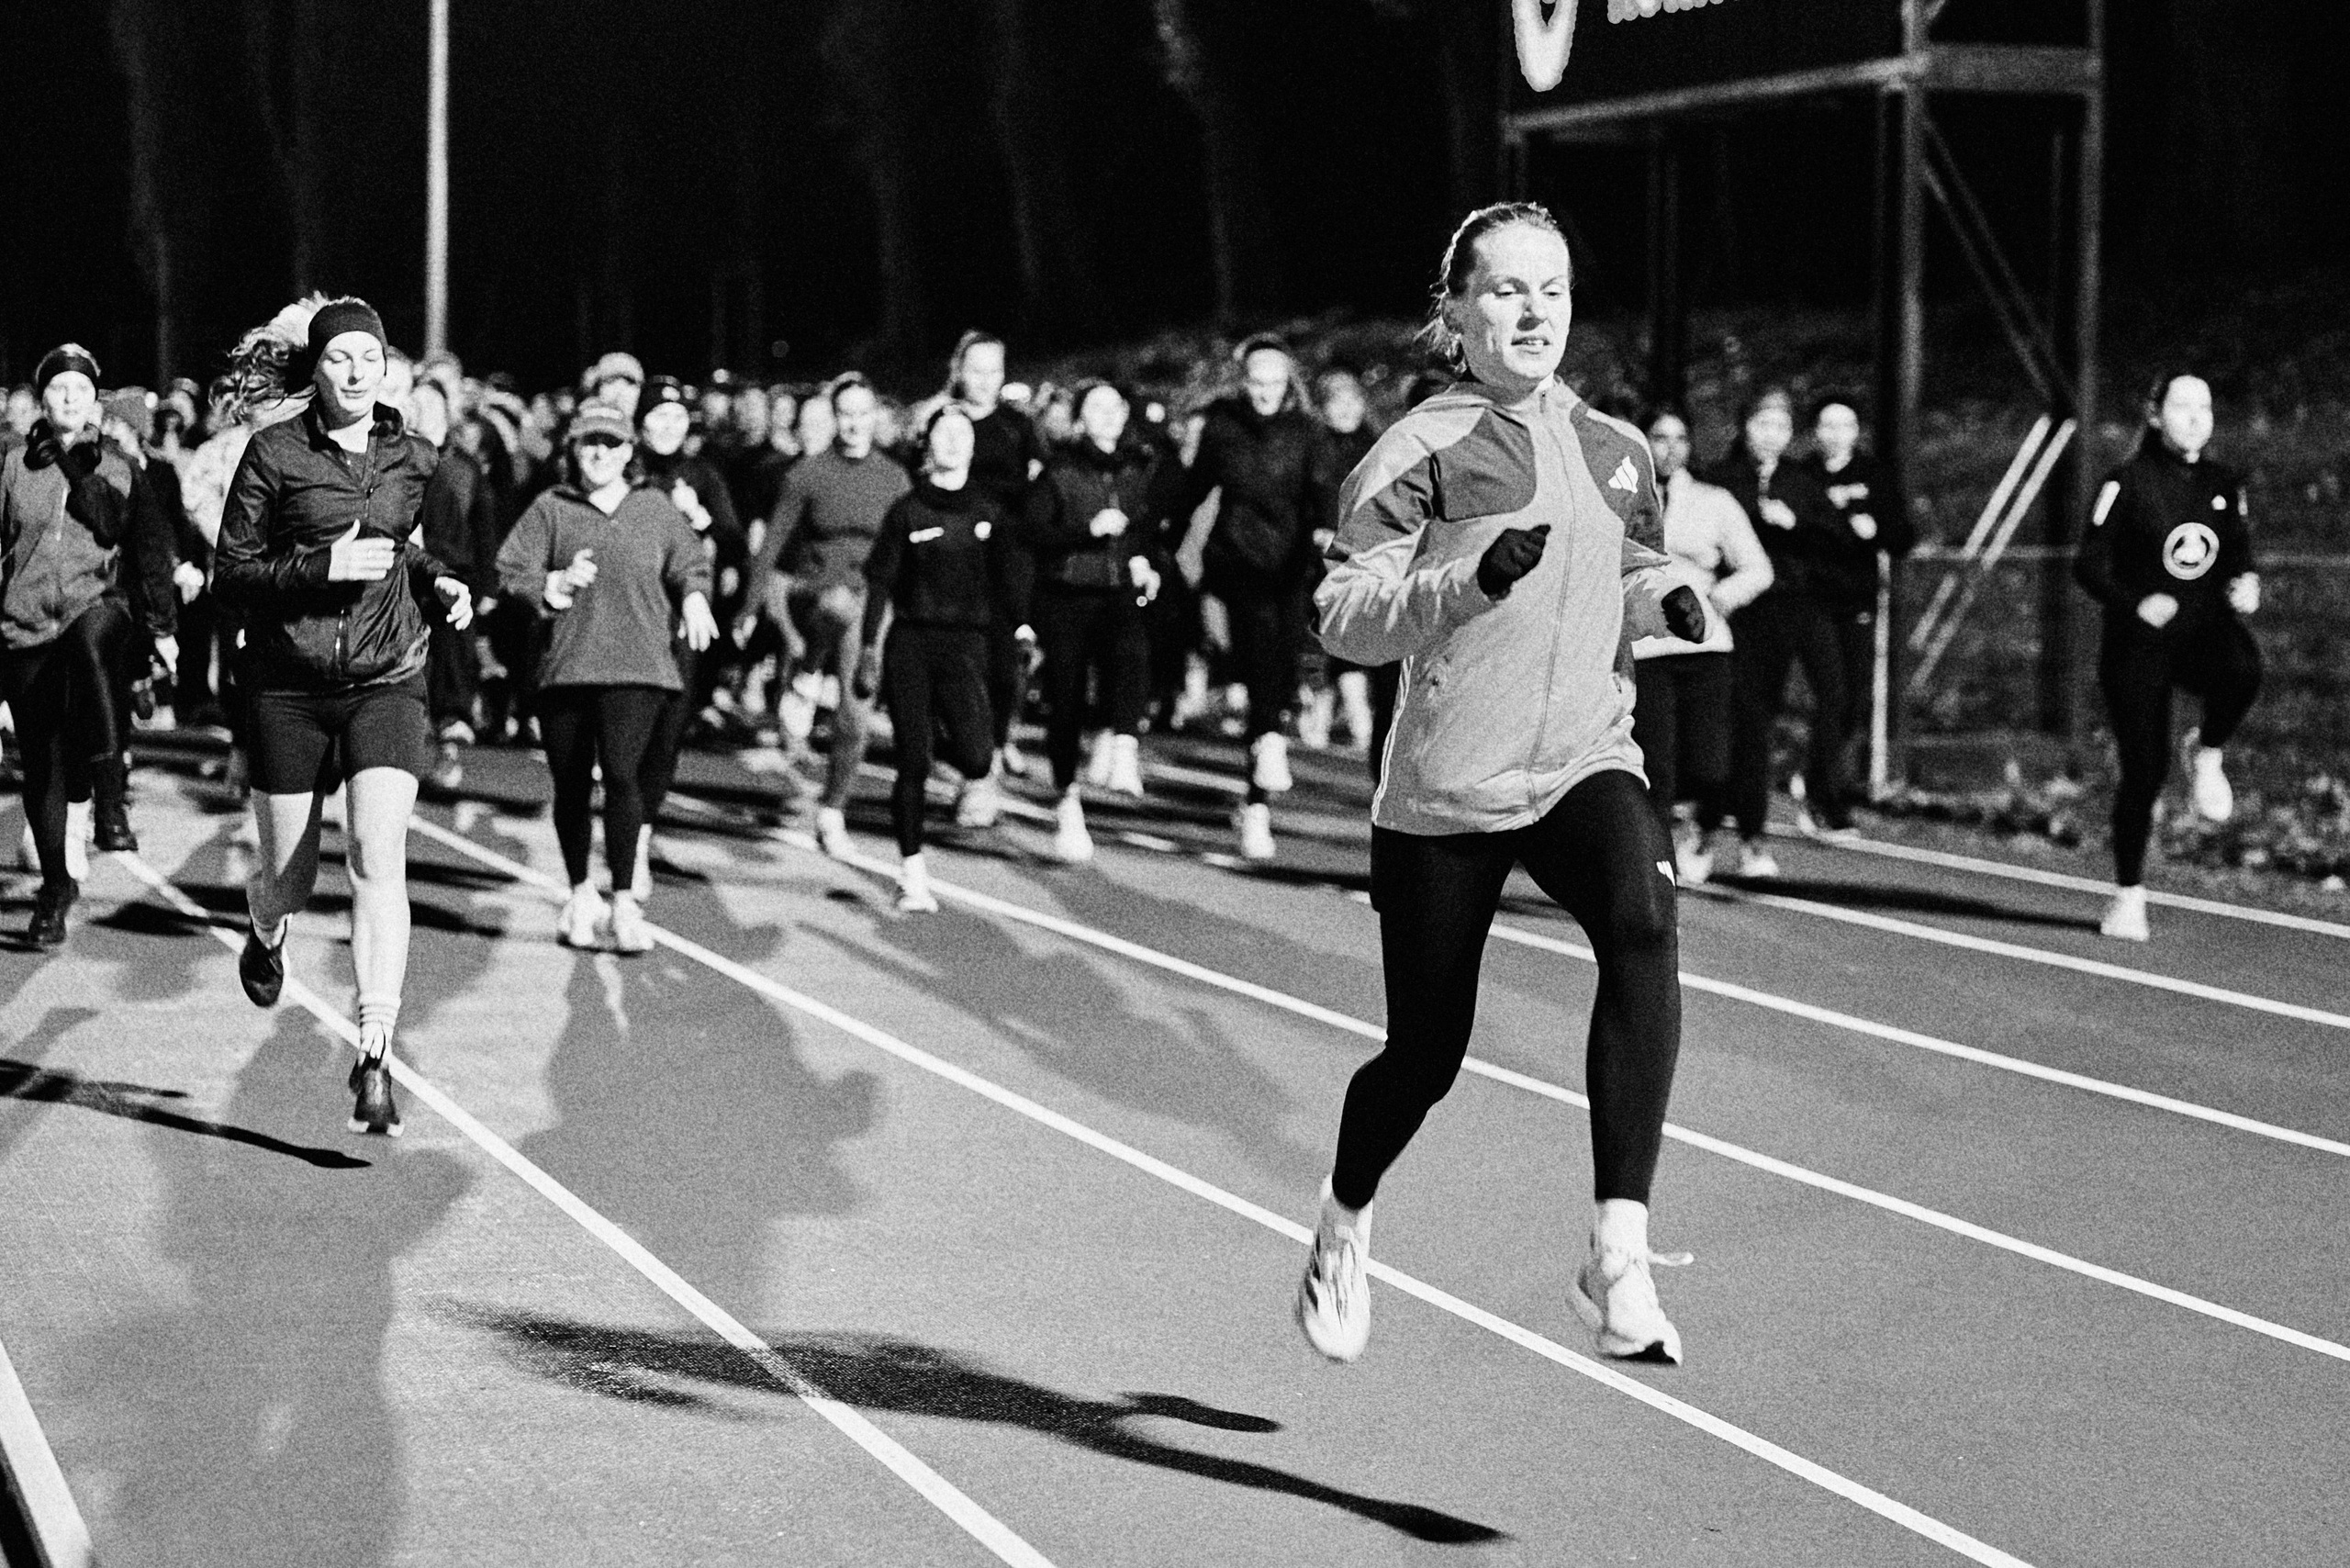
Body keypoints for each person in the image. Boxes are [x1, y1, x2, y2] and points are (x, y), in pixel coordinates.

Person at [1296, 203, 1707, 1367]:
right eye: (1506, 291)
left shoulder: (1616, 447)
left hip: (1585, 754)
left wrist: (1664, 598)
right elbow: (1345, 616)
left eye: (1554, 290)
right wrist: (1463, 583)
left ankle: (1615, 1251)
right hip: (1447, 783)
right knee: (1425, 1054)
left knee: (1644, 919)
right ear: (1456, 314)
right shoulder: (1413, 452)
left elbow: (1627, 564)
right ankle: (1342, 1217)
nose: (1534, 312)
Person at [211, 297, 476, 1137]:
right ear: (316, 370)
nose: (358, 372)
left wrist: (444, 586)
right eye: (340, 358)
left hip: (388, 677)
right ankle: (266, 927)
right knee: (292, 877)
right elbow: (235, 573)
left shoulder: (414, 457)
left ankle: (374, 1052)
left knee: (376, 854)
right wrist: (318, 566)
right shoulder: (274, 454)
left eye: (371, 357)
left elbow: (411, 549)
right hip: (288, 685)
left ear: (388, 366)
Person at [497, 401, 716, 949]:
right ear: (572, 449)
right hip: (566, 668)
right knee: (571, 784)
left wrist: (693, 597)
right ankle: (578, 893)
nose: (600, 452)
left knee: (621, 774)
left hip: (639, 666)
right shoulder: (552, 507)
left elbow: (691, 561)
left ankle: (624, 903)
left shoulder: (654, 507)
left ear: (629, 452)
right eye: (589, 442)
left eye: (612, 443)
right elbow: (509, 568)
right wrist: (549, 583)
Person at [2074, 372, 2261, 942]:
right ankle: (2128, 895)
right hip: (2139, 644)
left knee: (2243, 670)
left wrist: (2247, 584)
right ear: (2155, 414)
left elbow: (2238, 556)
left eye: (2205, 406)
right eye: (2182, 406)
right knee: (2144, 772)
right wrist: (2135, 603)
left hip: (2201, 632)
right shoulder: (2126, 482)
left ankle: (2205, 752)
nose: (2196, 417)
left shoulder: (2225, 483)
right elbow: (2089, 564)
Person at [0, 346, 151, 944]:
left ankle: (111, 801)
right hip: (24, 622)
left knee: (90, 648)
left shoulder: (114, 464)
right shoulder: (11, 465)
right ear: (42, 401)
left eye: (81, 390)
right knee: (43, 765)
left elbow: (117, 528)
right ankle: (56, 886)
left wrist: (76, 465)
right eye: (59, 389)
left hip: (94, 605)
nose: (70, 398)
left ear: (96, 402)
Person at [1163, 334, 1330, 860]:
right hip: (1236, 558)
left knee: (1280, 660)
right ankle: (1261, 787)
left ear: (1289, 384)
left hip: (1290, 563)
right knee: (1260, 653)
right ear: (1243, 383)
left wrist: (1326, 531)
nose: (1265, 394)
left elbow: (1324, 491)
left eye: (1275, 384)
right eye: (1256, 383)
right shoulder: (1223, 428)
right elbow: (1193, 489)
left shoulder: (1308, 433)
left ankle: (1261, 765)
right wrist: (1162, 531)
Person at [854, 406, 1023, 911]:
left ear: (973, 446)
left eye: (961, 434)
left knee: (976, 758)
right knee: (912, 763)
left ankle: (947, 743)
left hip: (967, 646)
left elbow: (1007, 583)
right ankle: (912, 874)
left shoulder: (988, 511)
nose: (951, 442)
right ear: (928, 445)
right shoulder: (907, 509)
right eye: (942, 434)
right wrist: (867, 647)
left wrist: (1020, 632)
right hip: (911, 643)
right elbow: (880, 582)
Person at [738, 375, 912, 857]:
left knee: (858, 710)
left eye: (863, 413)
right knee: (838, 603)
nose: (855, 424)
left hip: (871, 600)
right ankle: (809, 670)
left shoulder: (894, 478)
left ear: (876, 416)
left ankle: (833, 808)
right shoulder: (808, 474)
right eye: (846, 414)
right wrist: (749, 608)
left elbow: (909, 547)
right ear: (834, 418)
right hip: (815, 593)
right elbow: (772, 544)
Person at [1710, 386, 1852, 875]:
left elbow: (1837, 539)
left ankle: (1818, 787)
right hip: (1748, 611)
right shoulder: (1723, 479)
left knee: (1835, 693)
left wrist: (1796, 524)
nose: (1771, 436)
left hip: (1801, 604)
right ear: (1744, 425)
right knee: (1750, 721)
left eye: (1781, 427)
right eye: (1762, 424)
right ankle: (1737, 832)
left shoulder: (1800, 481)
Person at [1024, 381, 1166, 862]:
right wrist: (1088, 529)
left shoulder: (1137, 467)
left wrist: (1144, 560)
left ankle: (1124, 745)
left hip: (1117, 589)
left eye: (1114, 407)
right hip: (1066, 594)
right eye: (1095, 408)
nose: (1107, 415)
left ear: (1125, 413)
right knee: (1066, 701)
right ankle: (1066, 798)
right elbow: (1035, 533)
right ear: (1081, 417)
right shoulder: (1059, 470)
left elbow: (1144, 529)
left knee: (1133, 653)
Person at [1630, 408, 1773, 880]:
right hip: (1647, 648)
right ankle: (1658, 856)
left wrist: (1721, 597)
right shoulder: (1622, 496)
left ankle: (1703, 828)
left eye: (1680, 437)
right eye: (1658, 436)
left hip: (1706, 645)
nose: (1670, 447)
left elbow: (1758, 567)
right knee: (1657, 760)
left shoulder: (1715, 501)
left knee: (1711, 762)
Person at [633, 375, 746, 877]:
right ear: (641, 422)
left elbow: (734, 539)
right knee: (627, 723)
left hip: (683, 615)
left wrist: (702, 521)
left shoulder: (702, 474)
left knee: (669, 727)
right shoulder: (626, 467)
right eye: (658, 416)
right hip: (629, 613)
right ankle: (625, 816)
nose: (668, 427)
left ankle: (639, 828)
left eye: (678, 418)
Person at [945, 331, 1046, 814]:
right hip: (953, 552)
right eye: (976, 369)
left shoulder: (1018, 428)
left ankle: (996, 744)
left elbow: (1040, 488)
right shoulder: (941, 419)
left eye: (994, 370)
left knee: (1004, 662)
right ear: (959, 371)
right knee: (959, 659)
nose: (985, 381)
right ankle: (972, 767)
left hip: (1008, 554)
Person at [1799, 396, 1914, 817]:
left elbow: (1903, 535)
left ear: (1856, 431)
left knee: (1852, 699)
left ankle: (1824, 777)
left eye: (1844, 425)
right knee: (1831, 693)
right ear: (1814, 431)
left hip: (1858, 601)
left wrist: (1876, 529)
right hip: (1812, 601)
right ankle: (1825, 796)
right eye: (1827, 425)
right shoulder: (1803, 476)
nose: (1835, 434)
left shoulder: (1873, 475)